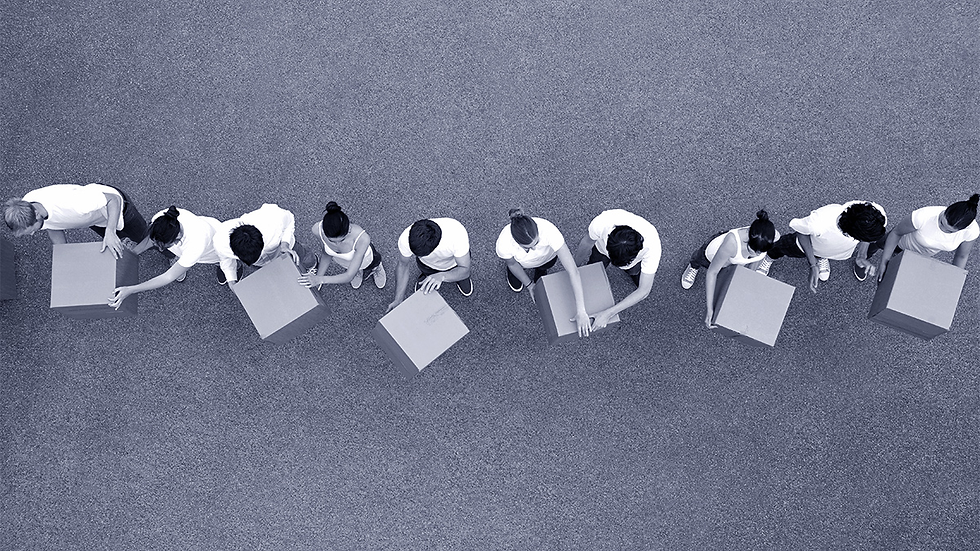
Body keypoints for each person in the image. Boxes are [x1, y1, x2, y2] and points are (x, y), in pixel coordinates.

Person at [755, 201, 886, 293]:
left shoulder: (876, 214)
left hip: (831, 249)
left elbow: (866, 236)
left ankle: (822, 256)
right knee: (781, 247)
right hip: (804, 246)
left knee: (825, 250)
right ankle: (770, 257)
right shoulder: (819, 222)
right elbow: (801, 232)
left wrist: (861, 256)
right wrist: (813, 264)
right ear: (851, 234)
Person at [496, 209, 590, 337]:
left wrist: (581, 310)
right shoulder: (504, 243)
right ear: (516, 242)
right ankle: (519, 276)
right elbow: (512, 263)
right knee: (515, 270)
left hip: (547, 259)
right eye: (528, 248)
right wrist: (529, 285)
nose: (534, 249)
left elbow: (573, 271)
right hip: (520, 264)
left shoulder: (550, 231)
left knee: (543, 269)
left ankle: (540, 271)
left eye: (537, 243)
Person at [108, 206, 223, 309]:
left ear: (177, 237)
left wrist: (131, 290)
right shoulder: (162, 219)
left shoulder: (195, 245)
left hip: (216, 248)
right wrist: (132, 255)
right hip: (207, 229)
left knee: (222, 260)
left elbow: (168, 277)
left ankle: (229, 267)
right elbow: (151, 240)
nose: (160, 249)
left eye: (164, 246)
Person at [681, 210, 778, 328]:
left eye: (761, 252)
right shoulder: (731, 244)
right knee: (699, 259)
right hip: (711, 255)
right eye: (754, 251)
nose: (757, 255)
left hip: (730, 262)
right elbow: (712, 272)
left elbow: (756, 259)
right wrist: (710, 308)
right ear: (748, 237)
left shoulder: (772, 236)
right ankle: (693, 267)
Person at [3, 183, 148, 258]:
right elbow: (51, 225)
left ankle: (170, 252)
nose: (32, 234)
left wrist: (110, 231)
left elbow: (113, 199)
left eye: (32, 230)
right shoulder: (28, 205)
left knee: (147, 236)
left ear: (36, 214)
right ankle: (124, 239)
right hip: (93, 219)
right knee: (116, 237)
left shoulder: (74, 203)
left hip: (116, 208)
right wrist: (63, 252)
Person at [575, 208, 662, 331]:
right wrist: (575, 268)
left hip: (633, 263)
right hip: (601, 252)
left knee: (633, 271)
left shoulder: (652, 247)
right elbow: (586, 243)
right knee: (593, 268)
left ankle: (632, 272)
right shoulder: (602, 222)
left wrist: (608, 313)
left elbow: (644, 290)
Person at [875, 194, 979, 282]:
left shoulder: (971, 232)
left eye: (949, 231)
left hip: (918, 256)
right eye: (941, 222)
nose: (941, 229)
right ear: (946, 210)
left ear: (962, 229)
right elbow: (896, 233)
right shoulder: (923, 216)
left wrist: (954, 281)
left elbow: (961, 257)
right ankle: (863, 256)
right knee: (876, 242)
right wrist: (884, 262)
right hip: (900, 244)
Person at [212, 203, 317, 289]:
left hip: (287, 248)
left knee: (305, 257)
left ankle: (313, 266)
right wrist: (232, 282)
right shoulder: (220, 243)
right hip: (262, 264)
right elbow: (225, 259)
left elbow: (290, 219)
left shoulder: (273, 219)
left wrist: (285, 244)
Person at [388, 217, 472, 311]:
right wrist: (398, 299)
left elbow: (465, 269)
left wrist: (443, 276)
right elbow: (403, 266)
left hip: (454, 265)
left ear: (434, 248)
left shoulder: (457, 234)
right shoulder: (406, 238)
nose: (417, 257)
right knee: (426, 271)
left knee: (462, 274)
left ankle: (459, 279)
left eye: (421, 255)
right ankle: (428, 276)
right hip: (427, 266)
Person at [296, 202, 386, 290]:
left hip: (366, 259)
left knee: (373, 263)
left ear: (349, 229)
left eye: (342, 240)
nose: (337, 245)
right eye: (331, 241)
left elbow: (348, 276)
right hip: (345, 262)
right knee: (353, 267)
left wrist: (320, 279)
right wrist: (318, 277)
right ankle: (357, 270)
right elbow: (326, 253)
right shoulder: (317, 230)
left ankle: (376, 267)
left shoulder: (363, 239)